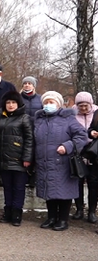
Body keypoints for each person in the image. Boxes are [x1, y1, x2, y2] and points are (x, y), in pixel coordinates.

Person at [34, 91, 88, 231]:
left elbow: (82, 136)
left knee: (63, 192)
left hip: (63, 162)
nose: (48, 105)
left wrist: (67, 146)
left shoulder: (68, 119)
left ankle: (63, 219)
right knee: (49, 190)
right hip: (44, 161)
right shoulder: (39, 120)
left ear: (58, 104)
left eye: (51, 102)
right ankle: (51, 217)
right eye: (46, 102)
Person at [0, 91, 34, 226]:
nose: (11, 105)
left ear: (18, 104)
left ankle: (17, 213)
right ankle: (7, 212)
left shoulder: (25, 118)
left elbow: (30, 139)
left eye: (13, 102)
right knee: (7, 187)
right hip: (3, 158)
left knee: (19, 188)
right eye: (8, 102)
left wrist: (27, 158)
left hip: (19, 159)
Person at [70, 91, 98, 222]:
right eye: (80, 106)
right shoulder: (72, 114)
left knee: (93, 182)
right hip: (78, 151)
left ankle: (92, 210)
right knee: (78, 181)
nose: (83, 108)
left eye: (86, 105)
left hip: (94, 152)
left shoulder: (97, 113)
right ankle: (79, 208)